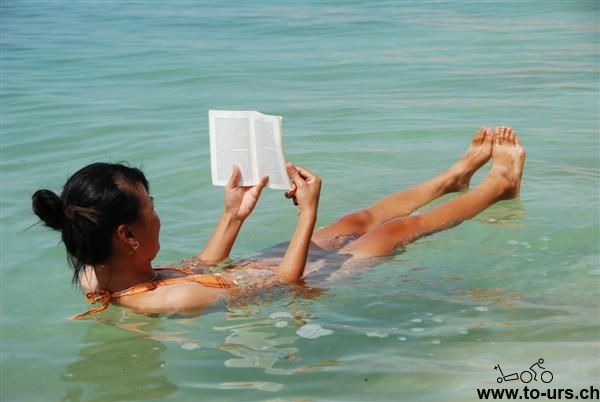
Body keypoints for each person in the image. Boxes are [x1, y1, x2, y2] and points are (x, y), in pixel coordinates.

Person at [32, 127, 525, 319]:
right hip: (293, 278)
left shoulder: (99, 270)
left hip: (253, 267)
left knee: (356, 219)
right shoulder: (169, 302)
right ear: (127, 234)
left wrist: (233, 214)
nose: (157, 212)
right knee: (395, 230)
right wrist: (307, 213)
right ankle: (498, 187)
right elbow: (287, 286)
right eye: (151, 206)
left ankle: (452, 179)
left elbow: (200, 266)